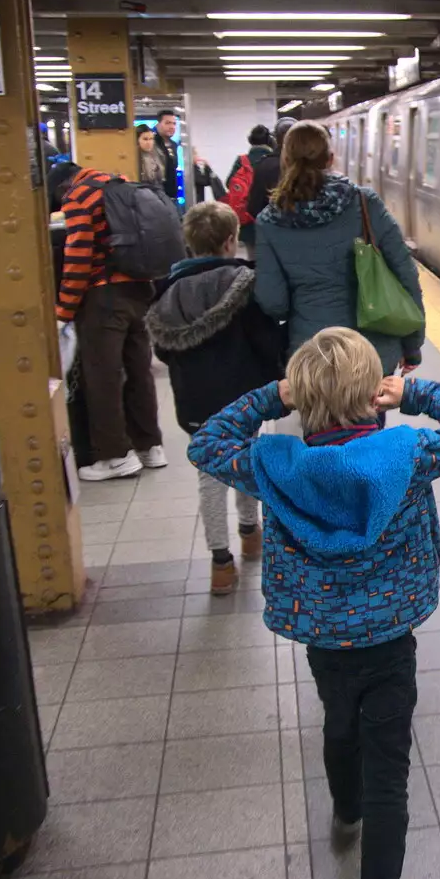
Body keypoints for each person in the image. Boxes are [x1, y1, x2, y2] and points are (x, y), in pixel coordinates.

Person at [187, 326, 440, 879]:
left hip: (324, 637)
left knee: (338, 721)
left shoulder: (272, 466)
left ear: (301, 398)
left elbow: (206, 442)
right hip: (390, 639)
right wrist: (413, 396)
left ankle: (344, 809)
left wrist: (272, 396)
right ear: (373, 396)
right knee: (391, 770)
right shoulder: (408, 456)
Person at [146, 202, 285, 594]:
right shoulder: (245, 283)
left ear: (188, 243)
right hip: (244, 396)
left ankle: (221, 564)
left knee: (210, 476)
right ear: (231, 240)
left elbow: (163, 350)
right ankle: (250, 531)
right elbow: (265, 341)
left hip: (194, 402)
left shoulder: (167, 291)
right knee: (245, 459)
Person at [255, 122, 424, 379]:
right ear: (330, 159)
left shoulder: (269, 220)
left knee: (319, 417)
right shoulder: (365, 203)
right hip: (372, 350)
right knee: (369, 415)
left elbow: (273, 302)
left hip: (312, 352)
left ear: (284, 160)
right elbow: (406, 275)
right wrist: (412, 345)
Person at [49, 159, 168, 481]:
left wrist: (63, 311)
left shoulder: (79, 196)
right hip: (140, 290)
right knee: (139, 370)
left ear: (62, 186)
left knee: (103, 376)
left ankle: (115, 455)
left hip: (104, 298)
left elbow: (78, 256)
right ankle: (150, 445)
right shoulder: (122, 185)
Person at [225, 124, 276, 254]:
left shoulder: (242, 161)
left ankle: (252, 274)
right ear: (270, 141)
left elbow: (229, 183)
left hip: (247, 216)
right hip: (272, 217)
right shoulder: (274, 160)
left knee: (252, 254)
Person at [247, 116, 295, 226]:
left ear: (275, 140)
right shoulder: (309, 165)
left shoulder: (264, 165)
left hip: (271, 231)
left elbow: (253, 207)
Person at [154, 108, 182, 205]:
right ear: (158, 125)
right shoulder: (152, 143)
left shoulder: (174, 144)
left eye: (174, 124)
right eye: (168, 123)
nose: (172, 127)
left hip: (172, 196)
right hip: (156, 197)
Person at [136, 124, 168, 191]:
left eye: (151, 139)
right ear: (137, 140)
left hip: (158, 190)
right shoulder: (134, 158)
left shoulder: (159, 154)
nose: (149, 142)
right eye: (145, 139)